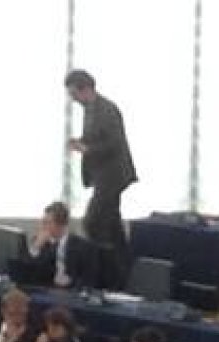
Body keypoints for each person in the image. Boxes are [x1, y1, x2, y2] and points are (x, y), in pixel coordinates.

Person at [65, 69, 137, 287]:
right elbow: (95, 137)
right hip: (101, 176)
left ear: (84, 88)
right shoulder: (90, 110)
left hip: (112, 176)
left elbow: (114, 143)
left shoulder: (106, 109)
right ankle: (123, 274)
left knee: (93, 222)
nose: (72, 98)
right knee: (111, 226)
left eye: (73, 93)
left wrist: (86, 149)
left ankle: (105, 274)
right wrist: (80, 142)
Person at [25, 201, 99, 289]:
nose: (43, 227)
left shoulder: (83, 247)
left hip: (71, 292)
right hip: (47, 290)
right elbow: (28, 273)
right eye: (43, 222)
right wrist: (36, 247)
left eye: (47, 223)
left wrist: (70, 283)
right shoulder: (41, 242)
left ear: (61, 225)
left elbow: (89, 279)